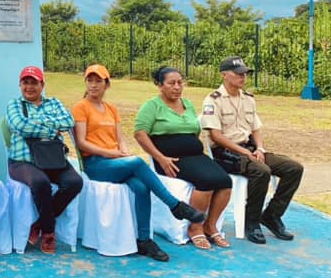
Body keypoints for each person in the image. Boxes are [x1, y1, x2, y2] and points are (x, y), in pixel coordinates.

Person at [72, 64, 205, 261]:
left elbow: (120, 139)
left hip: (116, 161)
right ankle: (175, 205)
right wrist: (112, 154)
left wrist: (123, 152)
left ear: (107, 85)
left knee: (142, 188)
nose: (93, 85)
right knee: (137, 162)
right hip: (96, 164)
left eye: (98, 81)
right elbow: (82, 142)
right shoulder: (81, 107)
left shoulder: (111, 109)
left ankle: (144, 240)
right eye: (89, 80)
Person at [200, 56, 305, 244]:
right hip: (226, 153)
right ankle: (252, 222)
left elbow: (255, 128)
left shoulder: (248, 99)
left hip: (249, 149)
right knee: (261, 171)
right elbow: (216, 136)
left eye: (245, 73)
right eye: (238, 73)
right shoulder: (213, 100)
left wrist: (260, 148)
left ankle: (272, 215)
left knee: (294, 168)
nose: (243, 77)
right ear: (224, 75)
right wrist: (244, 152)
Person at [133, 66, 233, 250]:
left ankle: (210, 226)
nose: (177, 87)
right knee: (207, 181)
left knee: (226, 182)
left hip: (195, 156)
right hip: (170, 160)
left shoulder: (187, 104)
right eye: (171, 83)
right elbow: (140, 133)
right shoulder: (152, 106)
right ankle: (195, 228)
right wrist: (161, 158)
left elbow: (194, 132)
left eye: (180, 82)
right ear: (160, 85)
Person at [4, 65, 83, 254]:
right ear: (20, 85)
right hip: (23, 161)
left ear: (42, 85)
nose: (29, 87)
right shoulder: (14, 105)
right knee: (41, 182)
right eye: (25, 83)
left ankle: (39, 224)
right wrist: (51, 129)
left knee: (75, 182)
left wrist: (37, 124)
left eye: (34, 83)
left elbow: (68, 121)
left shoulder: (53, 103)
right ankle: (48, 233)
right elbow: (20, 126)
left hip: (52, 159)